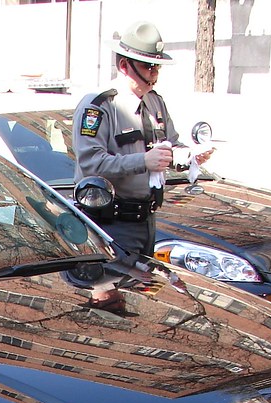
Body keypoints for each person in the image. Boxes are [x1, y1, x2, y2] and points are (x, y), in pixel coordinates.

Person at [72, 20, 213, 257]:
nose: (154, 74)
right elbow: (91, 163)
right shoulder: (99, 106)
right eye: (147, 66)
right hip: (110, 222)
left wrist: (189, 156)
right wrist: (143, 161)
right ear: (124, 65)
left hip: (147, 219)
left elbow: (170, 144)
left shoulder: (155, 102)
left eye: (157, 67)